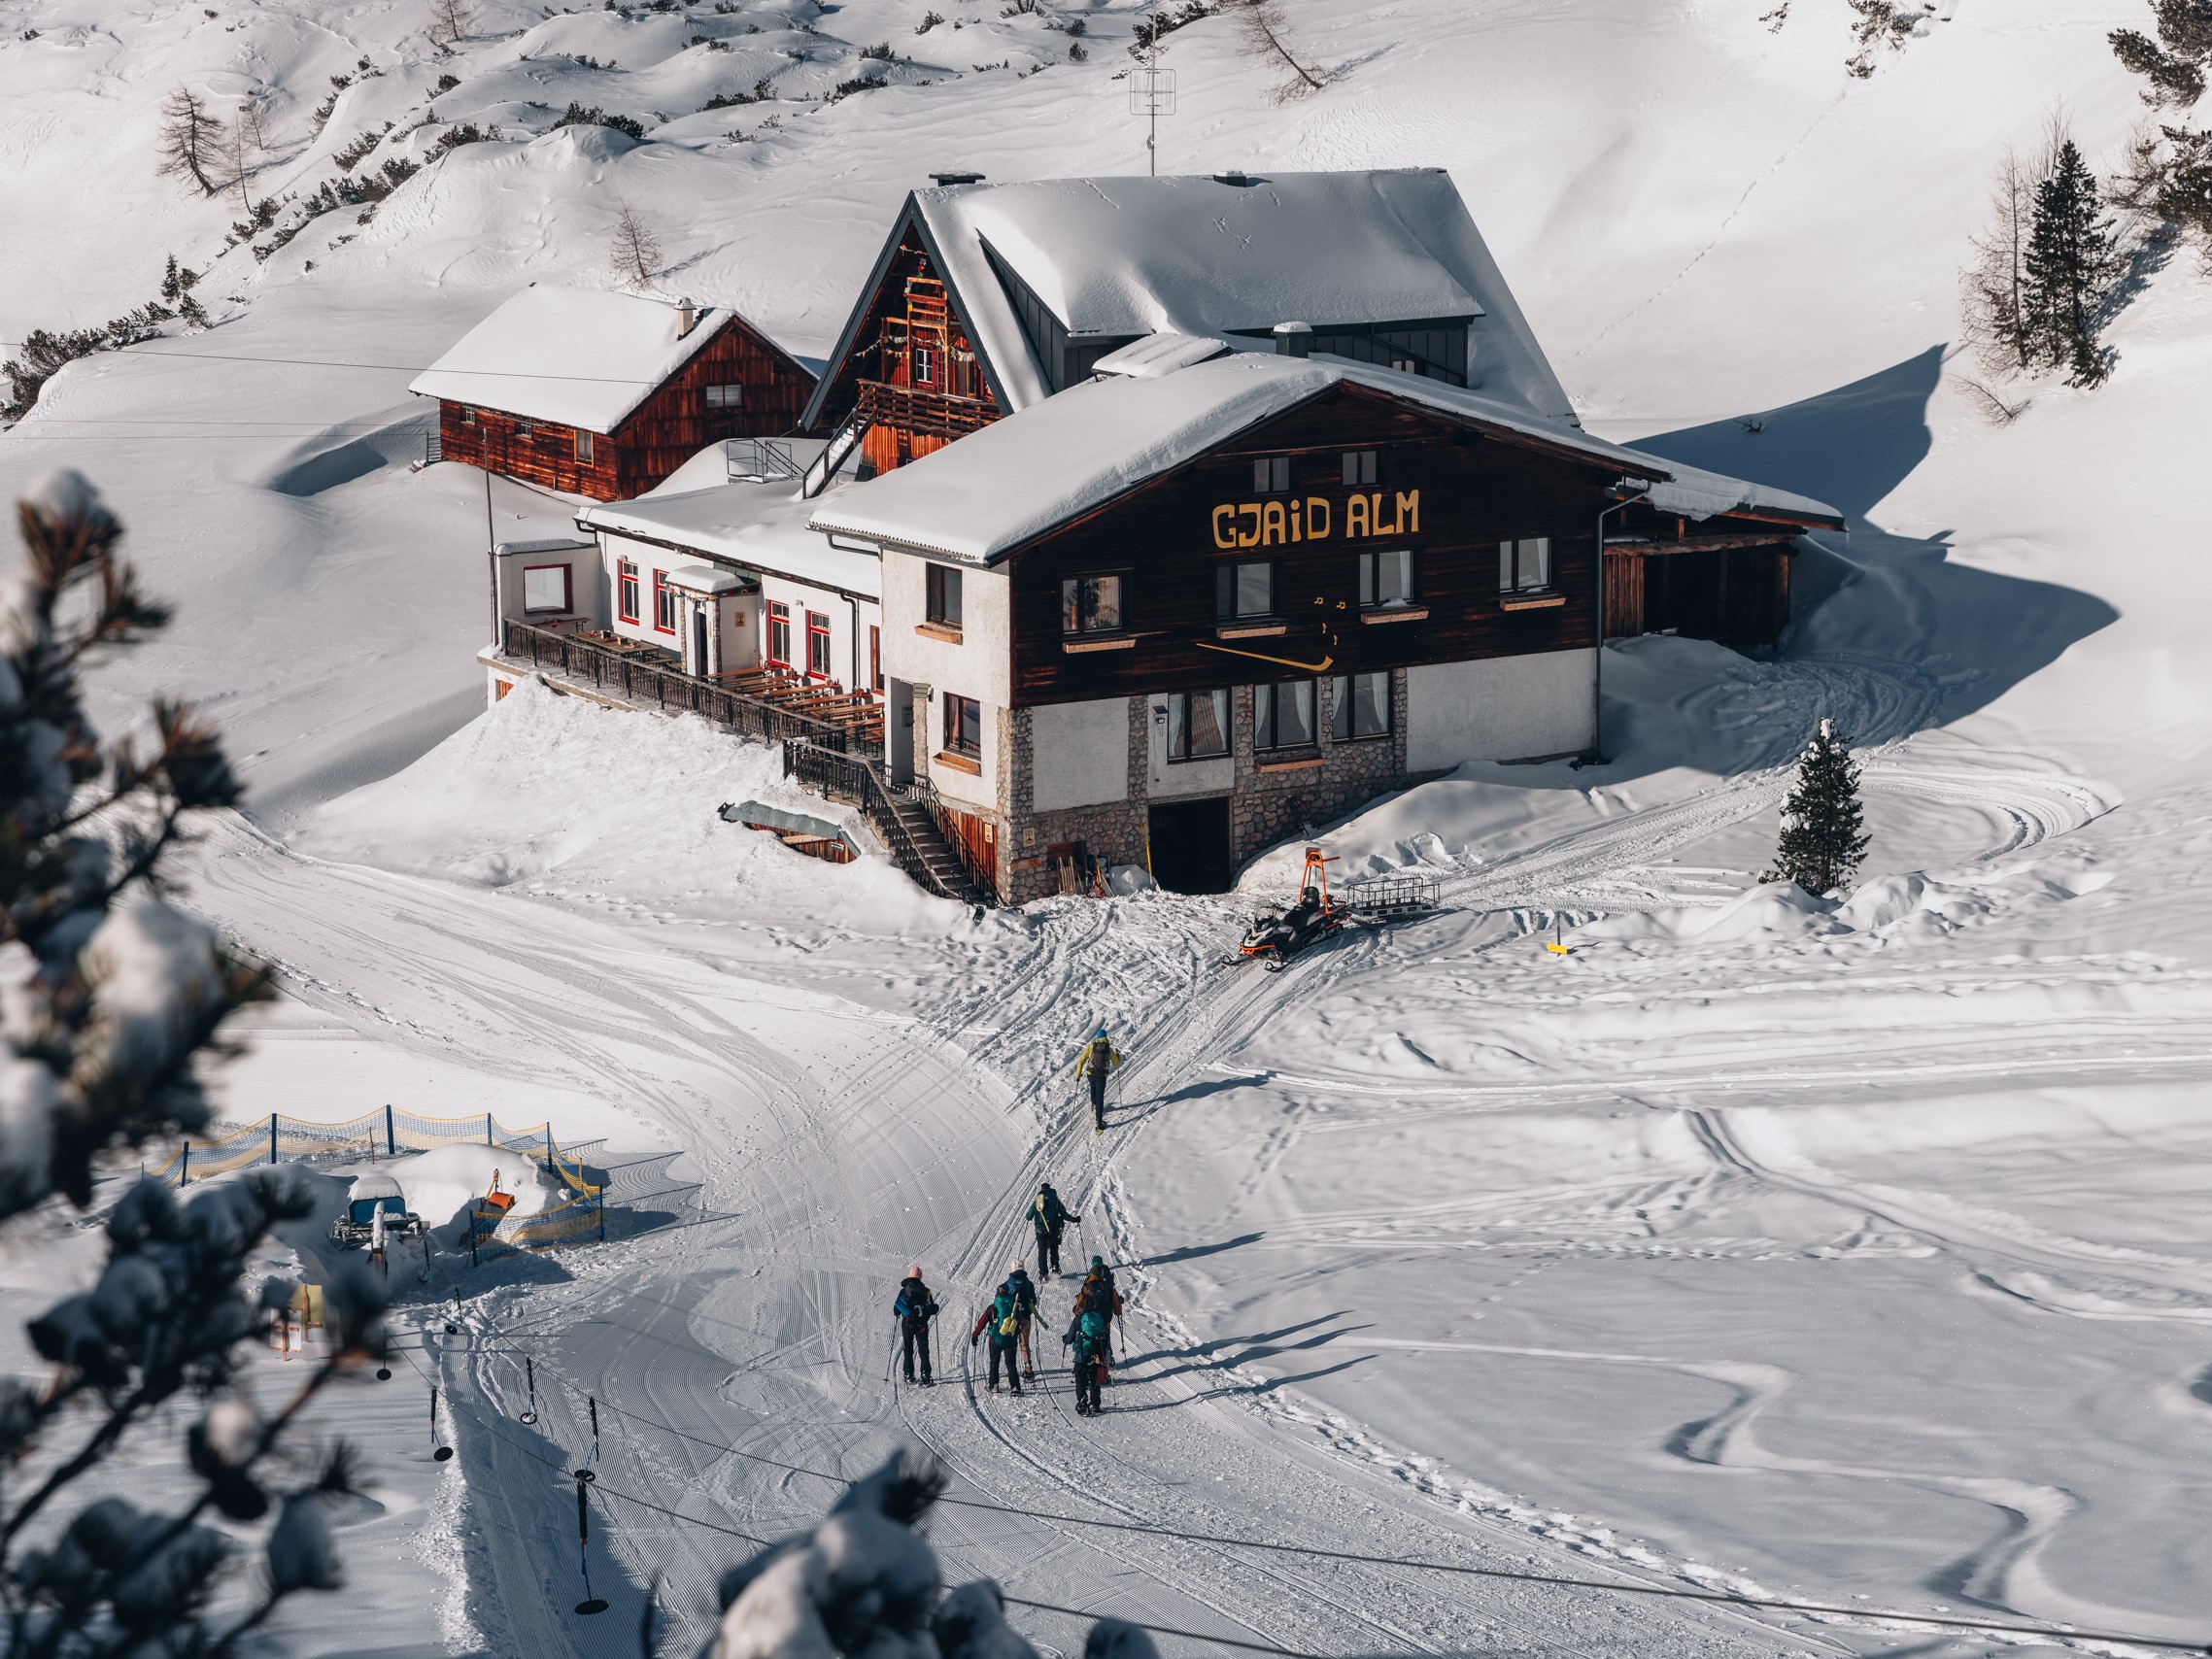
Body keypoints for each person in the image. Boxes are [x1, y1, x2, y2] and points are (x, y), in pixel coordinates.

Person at [969, 1284, 1025, 1396]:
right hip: (1011, 1340)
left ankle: (994, 1386)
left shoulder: (992, 1307)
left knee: (994, 1363)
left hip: (995, 1340)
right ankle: (1015, 1388)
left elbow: (982, 1323)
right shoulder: (1014, 1307)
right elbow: (1020, 1321)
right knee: (1011, 1364)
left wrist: (975, 1335)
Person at [1072, 1256, 1124, 1369]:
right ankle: (1106, 1363)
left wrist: (1077, 1311)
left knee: (1087, 1339)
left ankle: (1085, 1361)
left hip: (1090, 1319)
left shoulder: (1087, 1285)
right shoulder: (1108, 1285)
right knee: (1105, 1340)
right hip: (1105, 1318)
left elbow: (1080, 1304)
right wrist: (1118, 1311)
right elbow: (1117, 1307)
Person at [893, 1267, 939, 1386]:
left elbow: (896, 1311)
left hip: (907, 1324)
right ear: (920, 1276)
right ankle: (925, 1375)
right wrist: (935, 1309)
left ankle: (909, 1375)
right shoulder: (926, 1291)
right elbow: (930, 1308)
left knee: (908, 1349)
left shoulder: (904, 1291)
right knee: (923, 1350)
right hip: (921, 1325)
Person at [1065, 1303, 1111, 1415]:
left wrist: (1065, 1340)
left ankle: (1083, 1401)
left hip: (1082, 1353)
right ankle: (1095, 1404)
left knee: (1080, 1379)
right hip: (1097, 1353)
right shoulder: (1099, 1318)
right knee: (1094, 1378)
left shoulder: (1079, 1319)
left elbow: (1069, 1338)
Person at [1073, 1028, 1124, 1133]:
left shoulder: (1091, 1046)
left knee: (1093, 1088)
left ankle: (1093, 1106)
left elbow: (1081, 1060)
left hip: (1090, 1074)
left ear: (1097, 1037)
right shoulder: (1108, 1049)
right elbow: (1117, 1064)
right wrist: (1118, 1055)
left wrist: (1078, 1074)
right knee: (1100, 1097)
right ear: (1105, 1037)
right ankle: (1099, 1123)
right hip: (1101, 1076)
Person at [1029, 1182, 1076, 1279]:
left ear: (1041, 1190)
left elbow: (1028, 1216)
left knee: (1042, 1252)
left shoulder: (1037, 1201)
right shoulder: (1055, 1199)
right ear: (1049, 1189)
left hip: (1040, 1231)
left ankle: (1043, 1274)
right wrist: (1074, 1219)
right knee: (1054, 1248)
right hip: (1053, 1229)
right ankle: (1055, 1268)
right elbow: (1063, 1214)